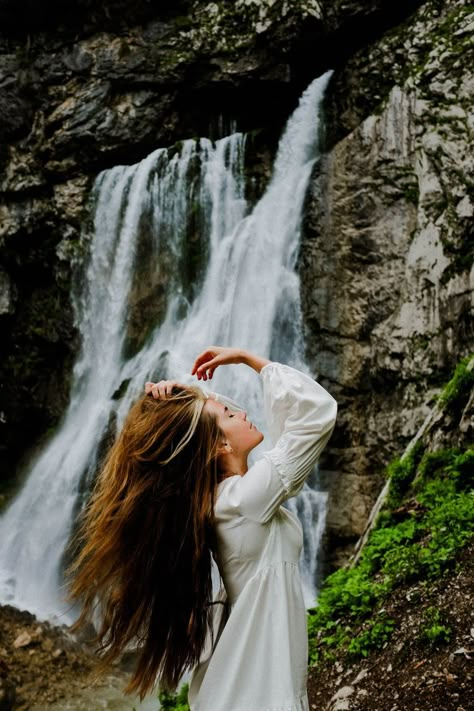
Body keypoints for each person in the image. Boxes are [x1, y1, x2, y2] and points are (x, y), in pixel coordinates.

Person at [68, 346, 337, 710]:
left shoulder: (228, 500)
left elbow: (204, 427)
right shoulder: (243, 502)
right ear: (220, 445)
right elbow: (314, 415)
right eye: (230, 413)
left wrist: (178, 398)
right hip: (259, 683)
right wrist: (246, 358)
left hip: (253, 676)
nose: (242, 412)